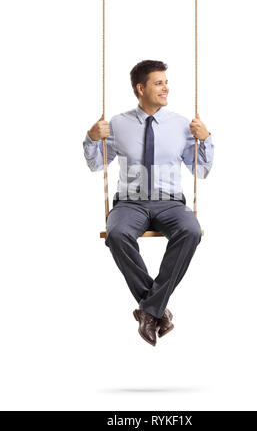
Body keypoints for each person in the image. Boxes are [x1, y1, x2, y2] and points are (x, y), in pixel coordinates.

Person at [83, 60, 214, 346]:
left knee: (191, 231)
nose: (165, 87)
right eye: (158, 83)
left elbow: (201, 170)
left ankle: (149, 310)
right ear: (140, 88)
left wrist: (206, 140)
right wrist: (92, 139)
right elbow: (97, 165)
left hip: (170, 203)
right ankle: (156, 309)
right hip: (130, 203)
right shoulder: (117, 123)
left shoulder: (182, 124)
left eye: (166, 82)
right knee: (116, 234)